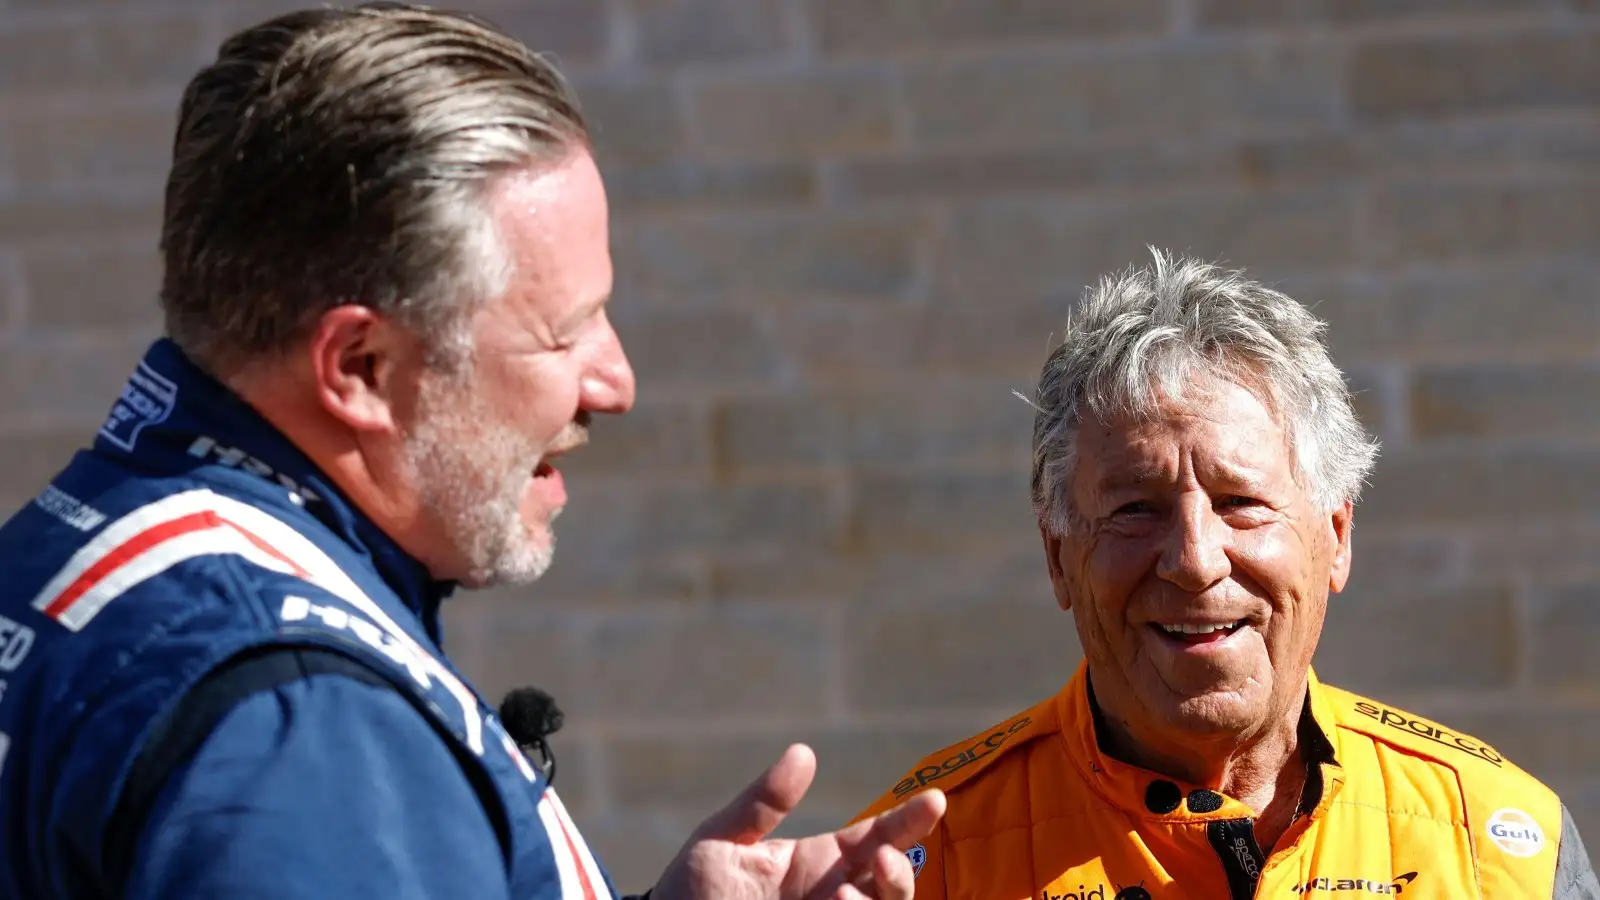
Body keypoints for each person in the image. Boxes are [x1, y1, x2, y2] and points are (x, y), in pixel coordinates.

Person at [0, 5, 944, 899]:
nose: (615, 381)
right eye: (563, 332)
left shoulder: (74, 544)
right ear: (360, 366)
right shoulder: (309, 738)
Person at [849, 251, 1597, 900]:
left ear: (1335, 539)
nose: (1195, 559)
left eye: (1241, 504)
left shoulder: (1496, 847)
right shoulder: (915, 866)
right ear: (1058, 558)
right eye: (1135, 510)